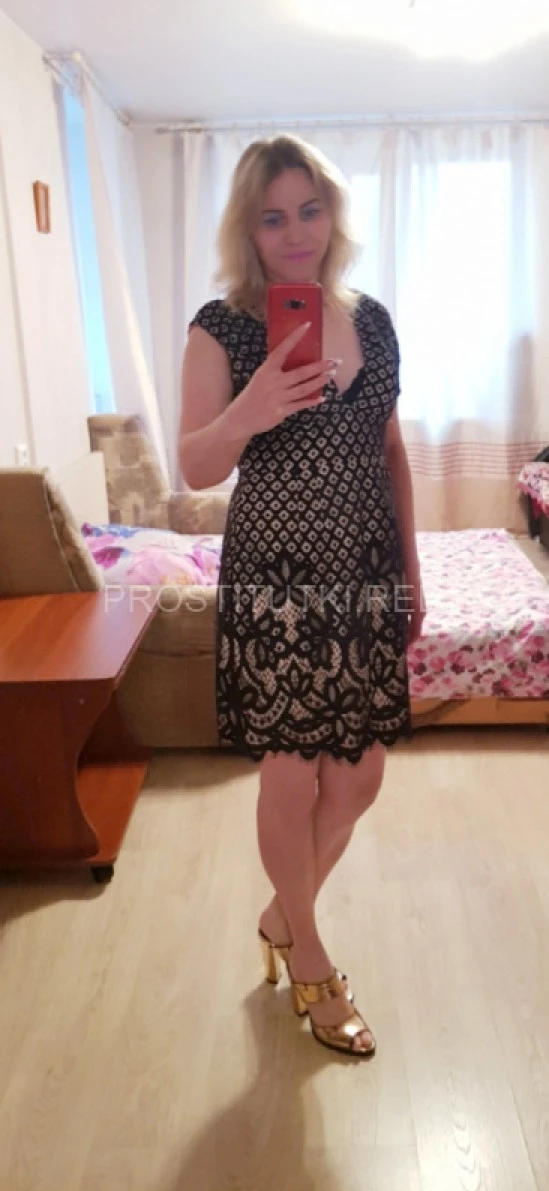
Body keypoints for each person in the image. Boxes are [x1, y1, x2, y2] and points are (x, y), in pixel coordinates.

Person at [179, 135, 424, 1059]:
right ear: (247, 230)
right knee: (293, 772)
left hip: (362, 574)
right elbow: (194, 465)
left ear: (332, 217)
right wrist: (250, 409)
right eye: (272, 216)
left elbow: (389, 450)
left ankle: (283, 916)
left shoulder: (375, 322)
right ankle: (313, 960)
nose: (294, 233)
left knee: (359, 774)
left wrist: (410, 570)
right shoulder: (223, 327)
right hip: (276, 580)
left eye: (309, 210)